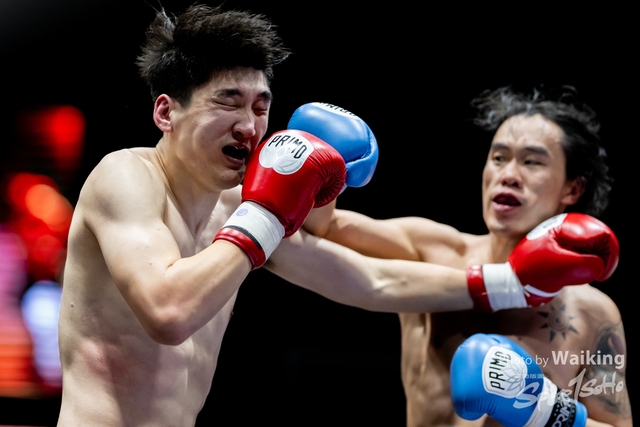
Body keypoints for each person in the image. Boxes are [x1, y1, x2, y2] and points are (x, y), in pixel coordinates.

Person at [55, 3, 622, 425]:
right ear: (166, 113)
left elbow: (367, 281)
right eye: (228, 102)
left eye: (261, 106)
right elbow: (168, 311)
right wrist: (269, 211)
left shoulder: (239, 207)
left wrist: (513, 284)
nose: (250, 126)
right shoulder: (126, 176)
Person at [298, 87, 632, 426]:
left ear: (573, 189)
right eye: (499, 158)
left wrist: (543, 410)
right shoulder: (431, 250)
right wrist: (324, 164)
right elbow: (320, 229)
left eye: (532, 162)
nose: (509, 175)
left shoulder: (591, 312)